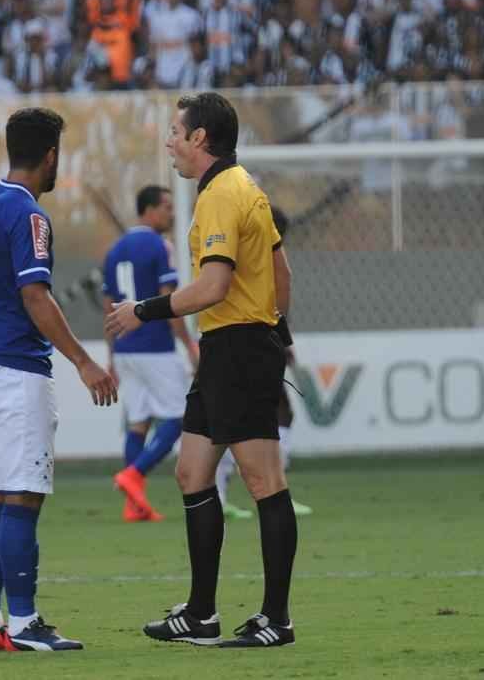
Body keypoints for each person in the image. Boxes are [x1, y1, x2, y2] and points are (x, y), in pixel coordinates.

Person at [106, 92, 297, 648]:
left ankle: (277, 620)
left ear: (200, 139)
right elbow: (281, 269)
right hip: (228, 347)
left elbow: (212, 286)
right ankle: (202, 614)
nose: (169, 140)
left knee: (264, 483)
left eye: (175, 131)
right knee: (192, 473)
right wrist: (277, 326)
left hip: (237, 348)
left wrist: (142, 309)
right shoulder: (246, 188)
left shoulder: (220, 194)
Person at [0, 107, 117, 653]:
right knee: (22, 500)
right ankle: (24, 624)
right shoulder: (30, 216)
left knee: (1, 500)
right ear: (50, 157)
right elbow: (35, 295)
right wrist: (83, 361)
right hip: (14, 372)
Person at [103, 185, 198, 522]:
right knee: (178, 418)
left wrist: (112, 356)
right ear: (149, 210)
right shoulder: (160, 246)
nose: (171, 214)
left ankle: (133, 505)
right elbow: (168, 299)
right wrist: (188, 345)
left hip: (127, 349)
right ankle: (134, 474)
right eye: (167, 207)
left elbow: (108, 306)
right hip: (155, 346)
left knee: (139, 422)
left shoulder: (114, 251)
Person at [215, 206, 312, 520]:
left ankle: (222, 495)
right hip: (255, 349)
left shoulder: (234, 256)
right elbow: (273, 308)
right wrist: (282, 342)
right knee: (276, 417)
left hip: (231, 347)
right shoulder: (267, 262)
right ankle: (276, 493)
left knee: (231, 425)